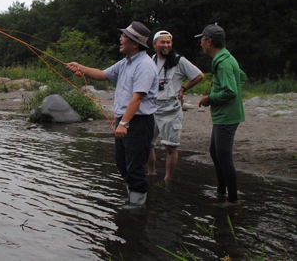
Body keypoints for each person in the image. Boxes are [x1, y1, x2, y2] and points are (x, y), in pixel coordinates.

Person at [66, 21, 157, 208]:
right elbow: (101, 74)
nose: (121, 39)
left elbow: (137, 98)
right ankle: (133, 200)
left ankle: (136, 209)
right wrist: (80, 67)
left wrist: (124, 123)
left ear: (134, 43)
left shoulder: (145, 65)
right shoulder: (126, 62)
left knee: (135, 167)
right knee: (122, 164)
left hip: (138, 123)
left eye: (124, 36)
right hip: (125, 120)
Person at [196, 24, 246, 206]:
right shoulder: (227, 59)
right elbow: (242, 77)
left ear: (209, 42)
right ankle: (220, 192)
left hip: (227, 116)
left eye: (202, 40)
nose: (200, 43)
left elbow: (230, 91)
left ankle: (232, 200)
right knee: (215, 153)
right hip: (224, 115)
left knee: (223, 156)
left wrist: (210, 98)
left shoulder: (223, 62)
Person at [147, 30, 204, 181]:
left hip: (171, 110)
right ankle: (151, 174)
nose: (166, 45)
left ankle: (168, 179)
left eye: (168, 42)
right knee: (146, 144)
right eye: (162, 42)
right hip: (152, 109)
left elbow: (199, 75)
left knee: (170, 147)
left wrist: (184, 88)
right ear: (154, 44)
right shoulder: (151, 60)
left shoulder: (179, 61)